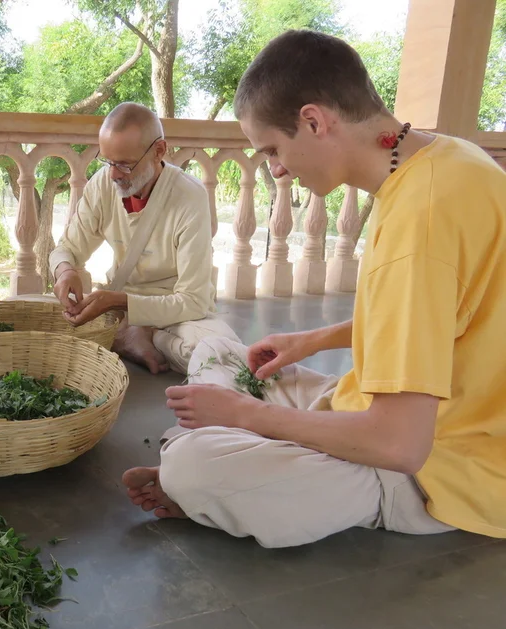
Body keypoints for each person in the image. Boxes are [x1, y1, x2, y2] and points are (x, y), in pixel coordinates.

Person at [124, 29, 506, 547]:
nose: (277, 170)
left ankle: (209, 471)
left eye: (274, 150)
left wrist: (248, 416)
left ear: (314, 121)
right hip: (375, 407)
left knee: (195, 466)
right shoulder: (447, 157)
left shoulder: (422, 222)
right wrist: (311, 341)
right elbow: (444, 318)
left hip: (434, 467)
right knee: (218, 348)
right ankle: (224, 461)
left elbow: (399, 444)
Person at [48, 102, 238, 375]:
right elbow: (66, 249)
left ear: (159, 151)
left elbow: (193, 301)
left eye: (124, 165)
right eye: (108, 162)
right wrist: (64, 270)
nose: (113, 175)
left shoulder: (190, 196)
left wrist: (119, 303)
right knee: (18, 313)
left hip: (174, 315)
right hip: (115, 309)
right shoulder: (103, 183)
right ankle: (130, 336)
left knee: (220, 351)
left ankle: (142, 337)